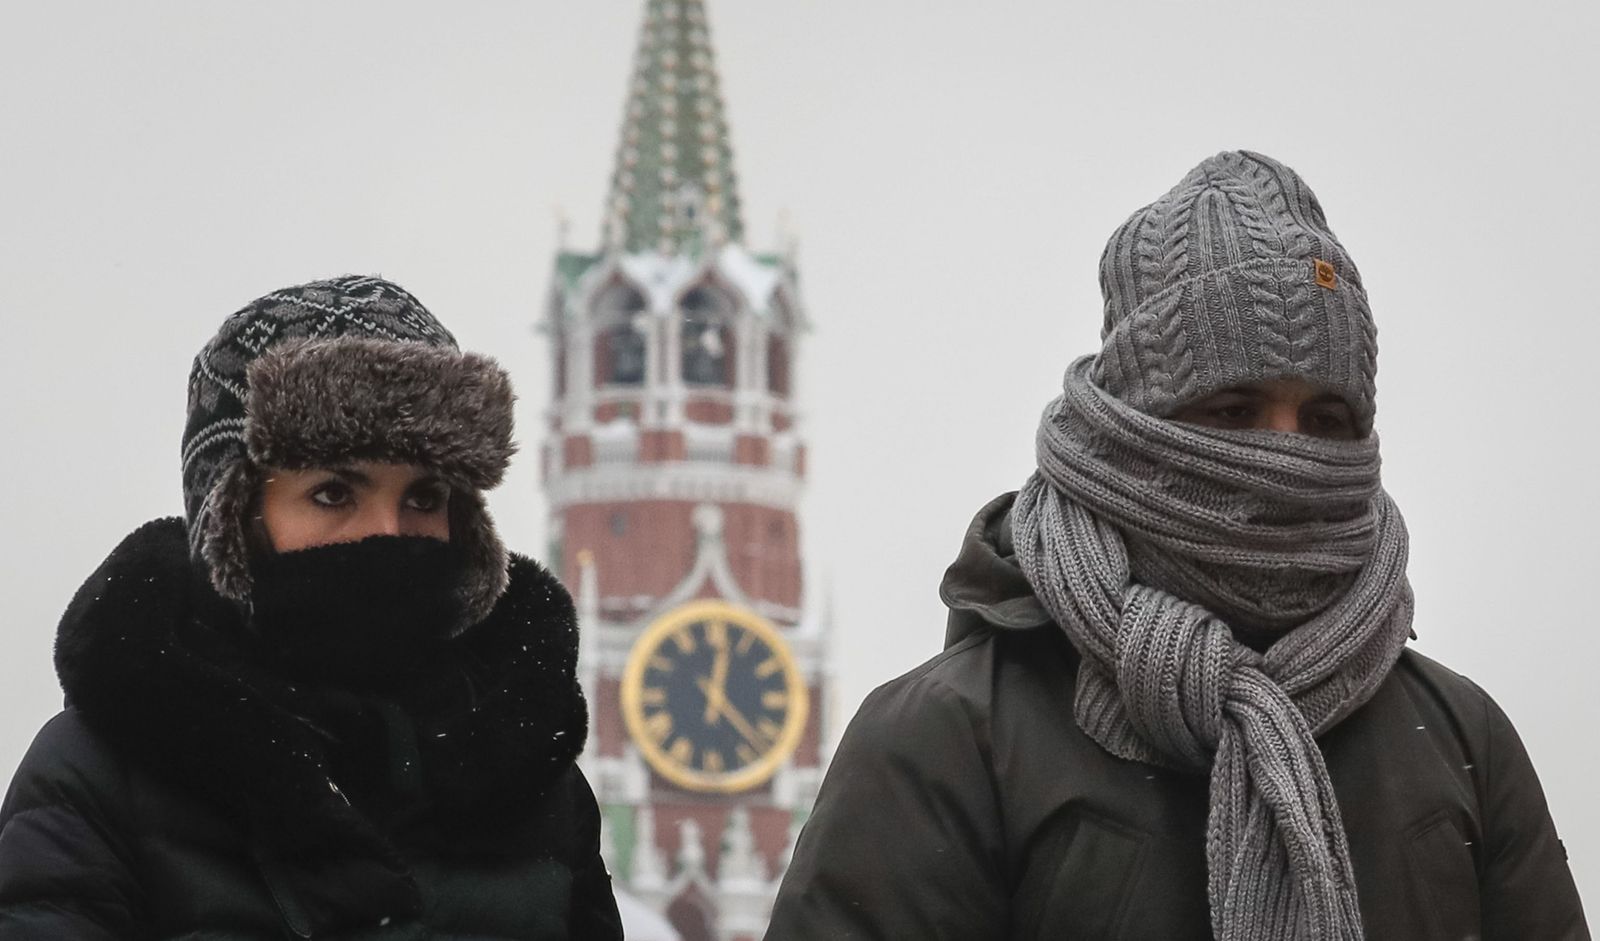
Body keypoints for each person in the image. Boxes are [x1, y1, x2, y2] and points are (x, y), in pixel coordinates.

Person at [766, 152, 1589, 940]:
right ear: (1135, 424)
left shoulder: (1459, 741)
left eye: (1324, 418)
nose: (1284, 451)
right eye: (1233, 410)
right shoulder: (953, 738)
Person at [0, 275, 623, 939]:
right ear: (235, 519)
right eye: (333, 494)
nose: (388, 534)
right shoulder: (100, 777)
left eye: (424, 498)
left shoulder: (533, 786)